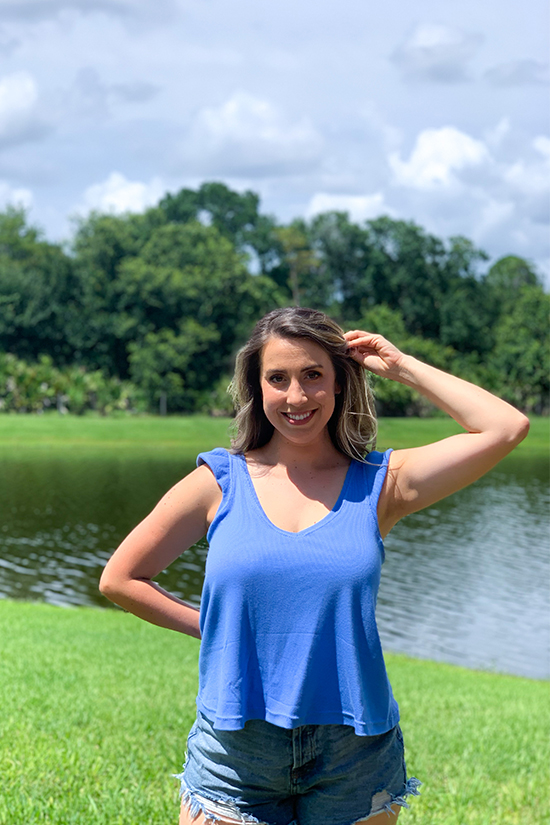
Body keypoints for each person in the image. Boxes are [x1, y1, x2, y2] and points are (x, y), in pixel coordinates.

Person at [99, 307, 529, 825]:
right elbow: (121, 579)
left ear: (340, 384)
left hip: (355, 751)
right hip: (238, 747)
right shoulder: (219, 481)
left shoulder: (381, 482)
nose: (296, 397)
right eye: (277, 379)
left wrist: (403, 366)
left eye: (313, 375)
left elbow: (506, 427)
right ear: (256, 389)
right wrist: (212, 627)